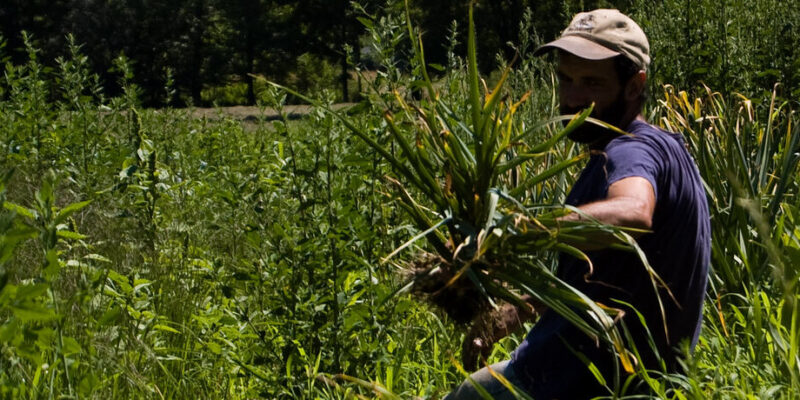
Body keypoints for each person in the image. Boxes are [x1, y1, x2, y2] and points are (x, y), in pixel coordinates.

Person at [446, 9, 710, 399]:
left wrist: (526, 229)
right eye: (565, 79)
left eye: (591, 83)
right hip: (575, 370)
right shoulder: (656, 148)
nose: (571, 98)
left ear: (634, 86)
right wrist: (517, 310)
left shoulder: (632, 151)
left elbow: (633, 213)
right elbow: (600, 277)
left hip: (582, 385)